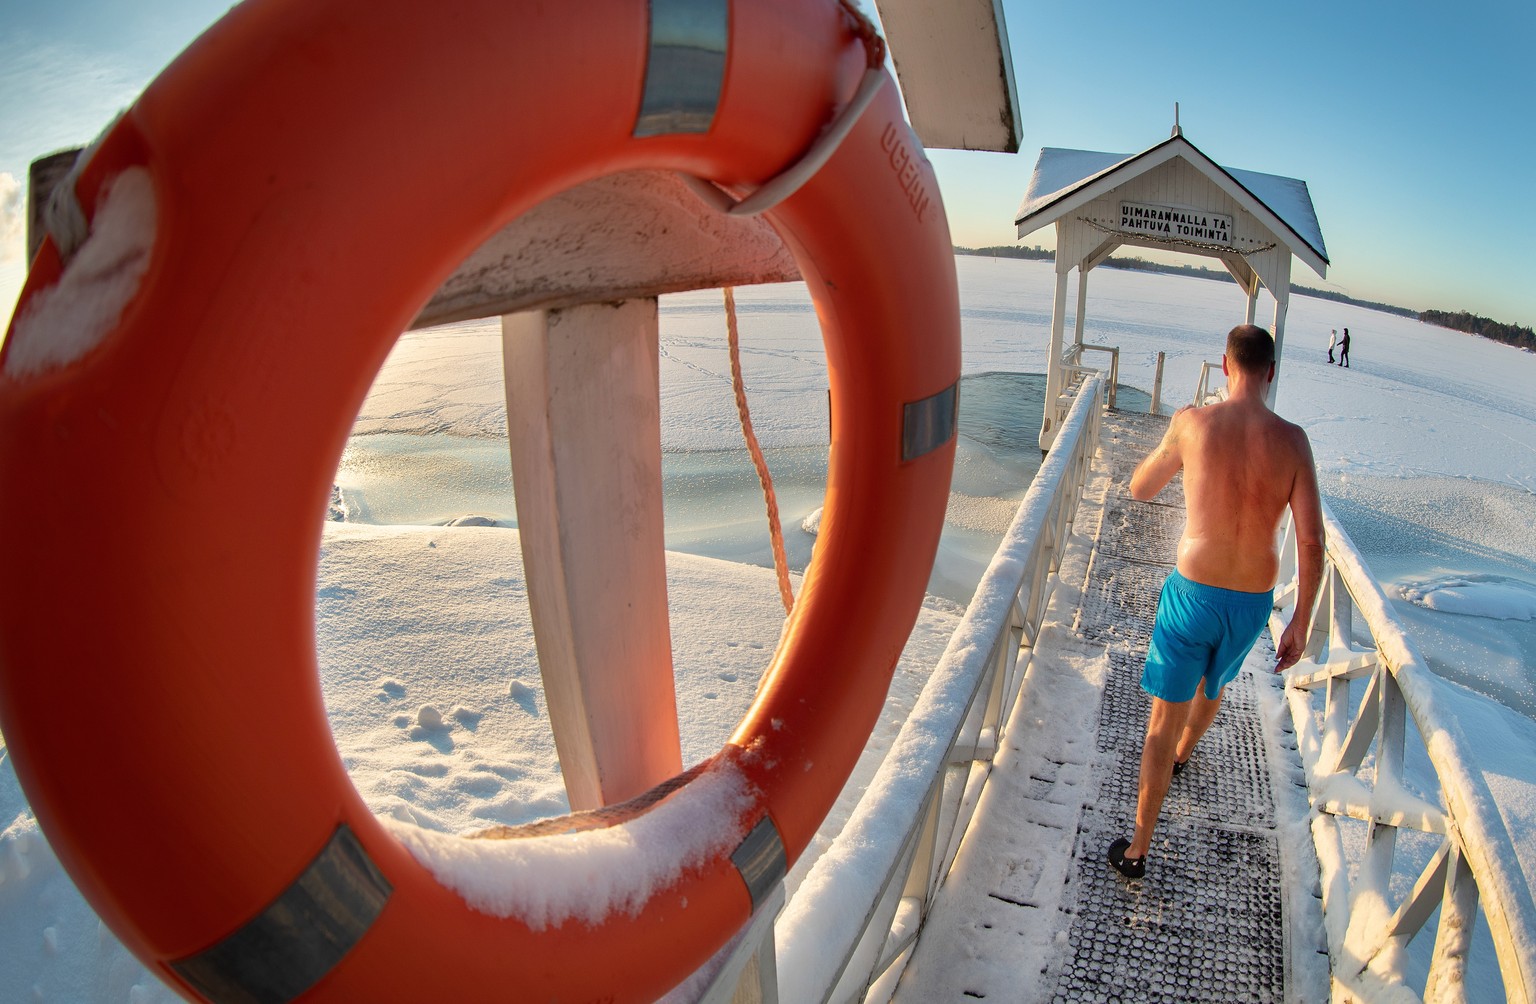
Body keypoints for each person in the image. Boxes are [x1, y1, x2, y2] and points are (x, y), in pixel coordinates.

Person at [1106, 324, 1324, 880]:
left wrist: (1174, 437)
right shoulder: (1294, 441)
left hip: (1192, 593)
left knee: (1161, 717)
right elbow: (1310, 542)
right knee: (1214, 682)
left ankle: (1137, 849)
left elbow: (1139, 488)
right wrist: (1301, 619)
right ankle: (1183, 755)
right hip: (1252, 602)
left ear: (1225, 367)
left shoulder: (1194, 423)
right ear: (1270, 372)